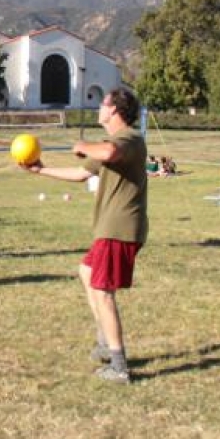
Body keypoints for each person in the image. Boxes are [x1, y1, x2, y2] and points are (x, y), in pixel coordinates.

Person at [19, 88, 148, 384]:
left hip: (120, 227)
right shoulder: (110, 143)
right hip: (110, 227)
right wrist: (41, 170)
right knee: (86, 271)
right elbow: (80, 174)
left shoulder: (128, 138)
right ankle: (106, 340)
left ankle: (118, 366)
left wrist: (82, 144)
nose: (98, 108)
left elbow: (110, 153)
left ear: (114, 111)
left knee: (103, 292)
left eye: (103, 104)